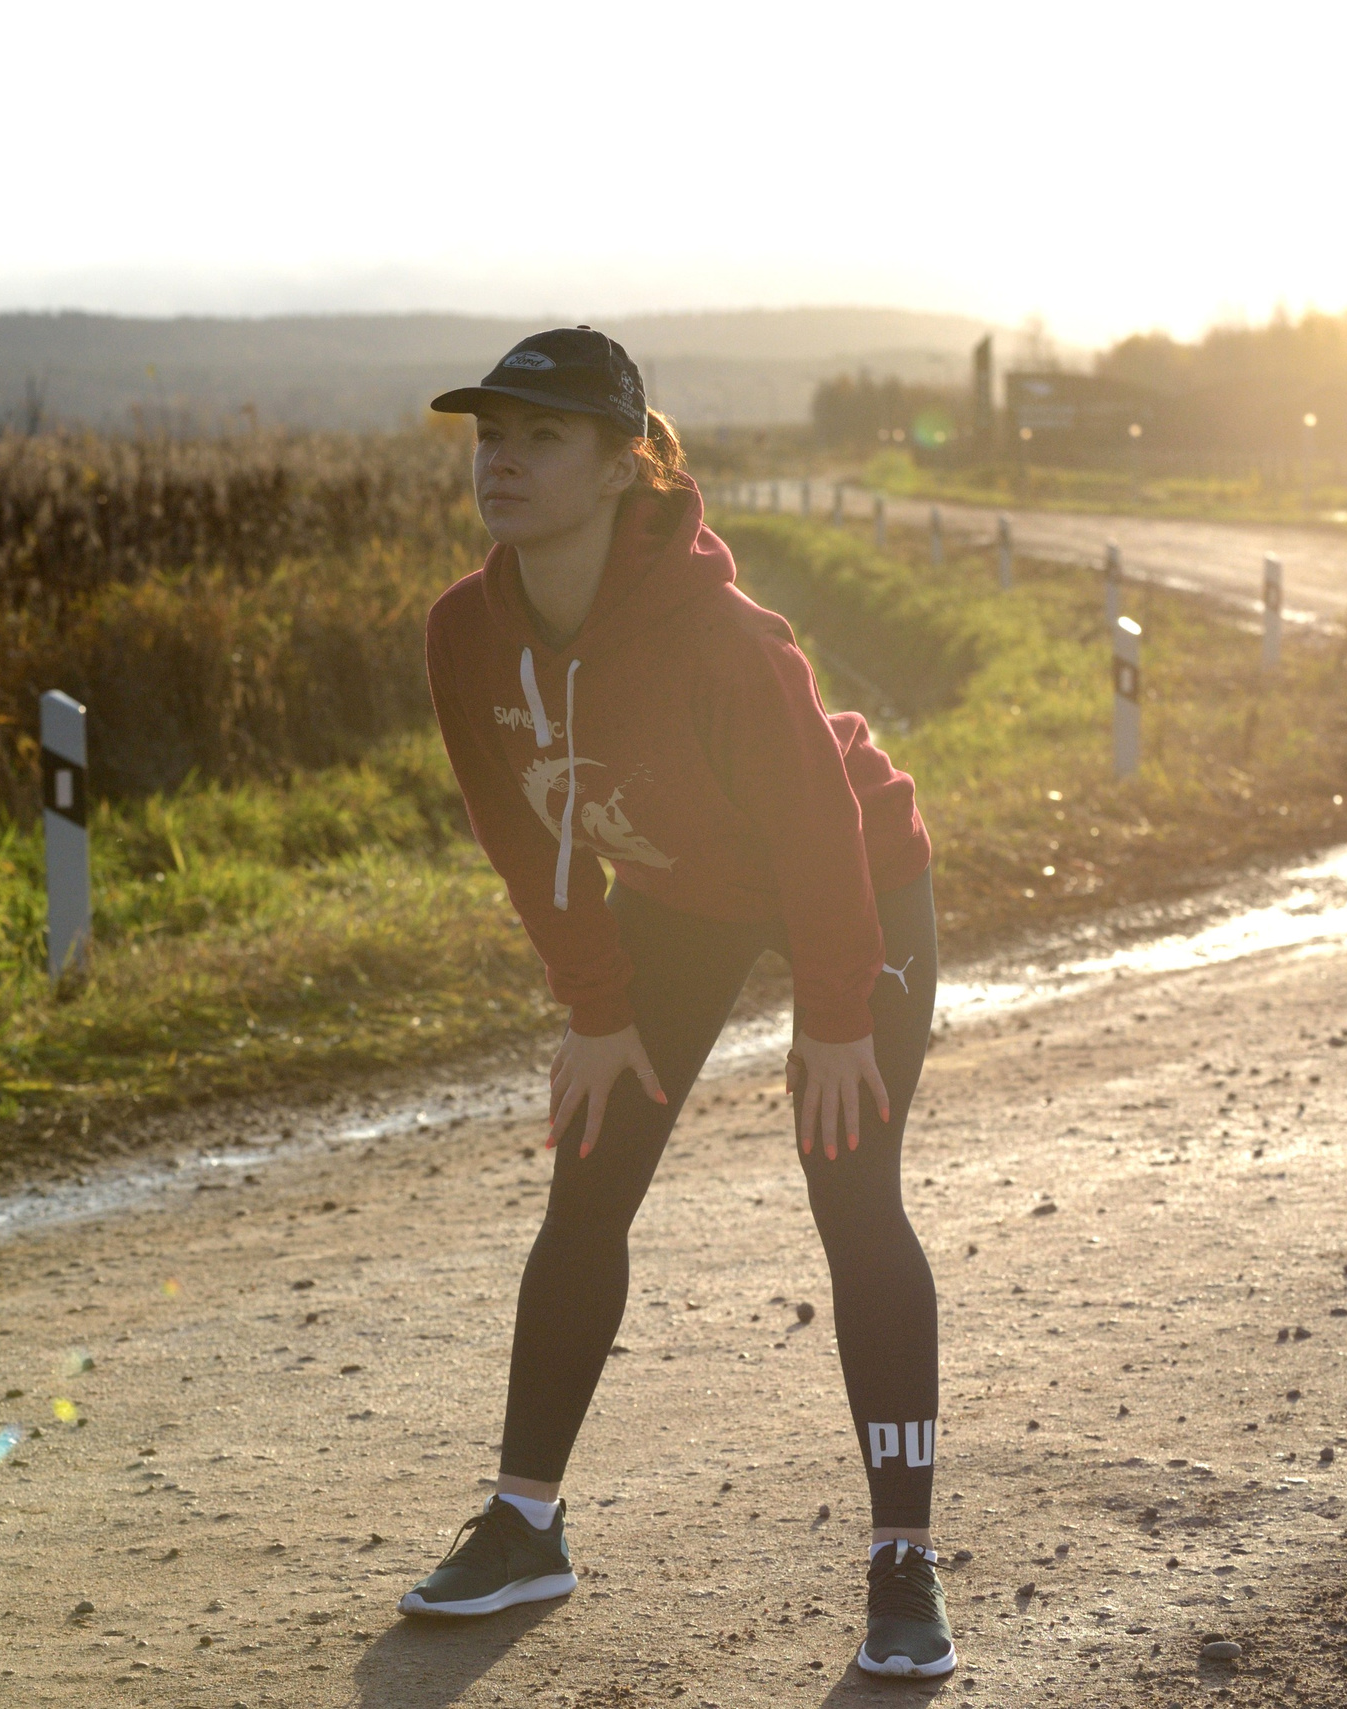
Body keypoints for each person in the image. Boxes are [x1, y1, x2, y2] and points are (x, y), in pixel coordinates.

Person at [396, 327, 953, 1679]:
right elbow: (523, 836)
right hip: (685, 894)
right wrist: (596, 1003)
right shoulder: (466, 633)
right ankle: (527, 1522)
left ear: (622, 464)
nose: (504, 463)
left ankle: (901, 1559)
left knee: (850, 1184)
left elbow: (821, 824)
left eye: (541, 438)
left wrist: (833, 1013)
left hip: (846, 881)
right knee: (590, 1175)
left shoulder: (718, 636)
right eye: (492, 437)